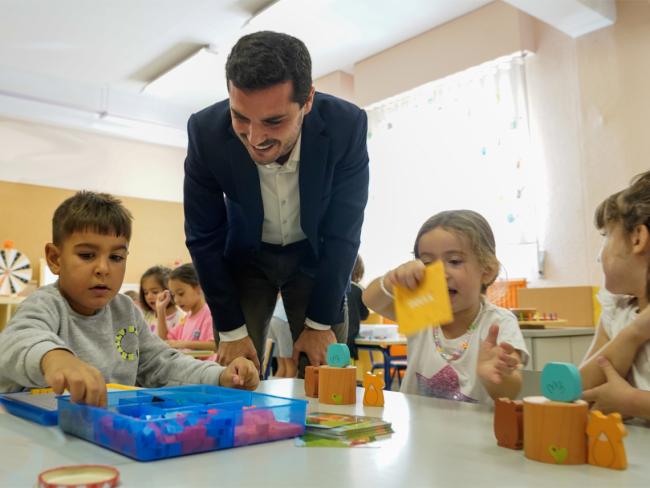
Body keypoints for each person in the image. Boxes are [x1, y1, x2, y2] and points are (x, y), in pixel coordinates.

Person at [183, 31, 369, 372]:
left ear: (308, 100)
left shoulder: (346, 126)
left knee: (324, 372)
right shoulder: (205, 133)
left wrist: (319, 324)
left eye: (274, 121)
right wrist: (231, 330)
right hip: (246, 259)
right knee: (236, 372)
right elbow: (204, 236)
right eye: (240, 117)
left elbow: (345, 230)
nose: (255, 139)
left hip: (314, 257)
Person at [0, 191, 258, 405]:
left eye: (116, 257)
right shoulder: (46, 303)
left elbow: (162, 364)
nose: (103, 268)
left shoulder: (125, 310)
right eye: (87, 255)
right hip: (39, 438)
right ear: (56, 259)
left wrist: (220, 376)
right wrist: (56, 359)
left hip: (105, 433)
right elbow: (17, 340)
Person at [363, 210, 527, 404]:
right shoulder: (422, 312)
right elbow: (370, 299)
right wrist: (393, 279)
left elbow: (509, 392)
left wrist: (496, 376)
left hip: (477, 434)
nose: (440, 273)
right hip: (420, 431)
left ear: (487, 270)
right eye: (428, 263)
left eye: (455, 261)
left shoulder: (498, 323)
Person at [581, 171, 650, 419]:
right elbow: (579, 392)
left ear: (638, 238)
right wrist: (633, 334)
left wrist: (633, 401)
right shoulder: (617, 308)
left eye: (606, 236)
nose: (599, 255)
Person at [163, 263, 216, 353]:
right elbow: (166, 339)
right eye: (173, 295)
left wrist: (182, 344)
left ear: (198, 288)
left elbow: (215, 345)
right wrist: (161, 310)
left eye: (180, 293)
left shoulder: (209, 314)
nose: (176, 300)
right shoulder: (187, 317)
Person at [139, 265, 184, 336]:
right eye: (146, 293)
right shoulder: (147, 316)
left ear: (170, 290)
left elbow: (166, 342)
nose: (149, 297)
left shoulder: (182, 318)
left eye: (155, 292)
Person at [267, 296, 297, 378]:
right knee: (291, 367)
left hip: (273, 319)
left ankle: (273, 391)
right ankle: (288, 391)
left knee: (282, 367)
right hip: (284, 320)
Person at [346, 255, 369, 360]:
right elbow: (365, 315)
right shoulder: (359, 290)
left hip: (332, 338)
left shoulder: (338, 287)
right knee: (348, 373)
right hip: (350, 342)